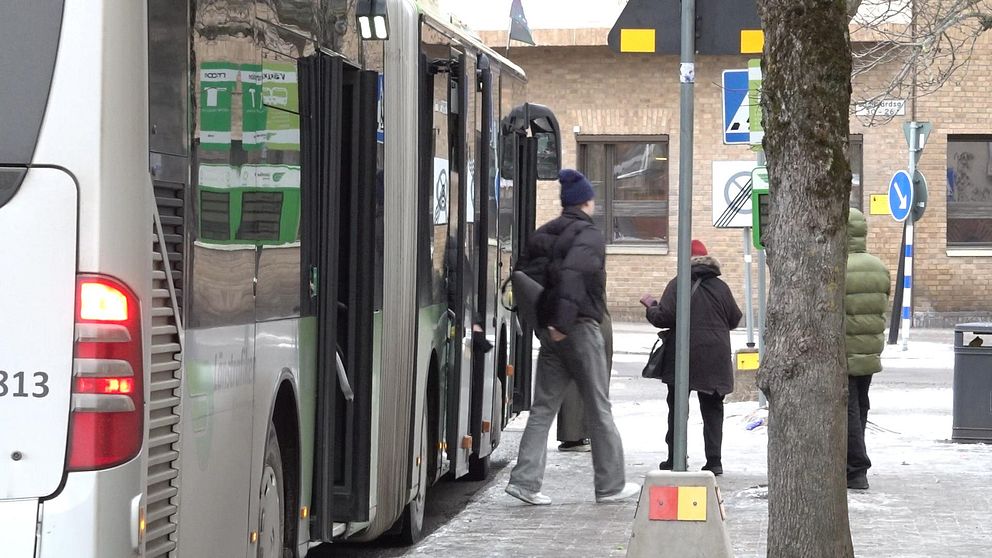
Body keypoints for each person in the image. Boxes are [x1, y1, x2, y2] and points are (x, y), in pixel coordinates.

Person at [506, 169, 639, 505]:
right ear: (587, 201)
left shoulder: (542, 235)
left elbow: (522, 278)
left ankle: (524, 482)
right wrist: (563, 324)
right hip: (578, 328)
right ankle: (610, 485)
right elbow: (573, 276)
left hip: (551, 334)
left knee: (542, 409)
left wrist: (544, 325)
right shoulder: (589, 235)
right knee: (598, 407)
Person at [642, 239, 742, 475]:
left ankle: (675, 457)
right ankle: (714, 461)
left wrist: (650, 306)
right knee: (713, 409)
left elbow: (662, 318)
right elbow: (735, 319)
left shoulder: (679, 284)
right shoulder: (721, 287)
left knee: (678, 407)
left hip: (684, 354)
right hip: (715, 355)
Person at [844, 208, 891, 490]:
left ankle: (856, 467)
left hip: (846, 350)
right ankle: (855, 465)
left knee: (848, 407)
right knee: (861, 404)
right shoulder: (878, 266)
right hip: (871, 349)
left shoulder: (838, 267)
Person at [556, 307, 613, 452]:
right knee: (595, 384)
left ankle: (575, 435)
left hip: (581, 322)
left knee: (575, 382)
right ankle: (592, 435)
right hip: (594, 320)